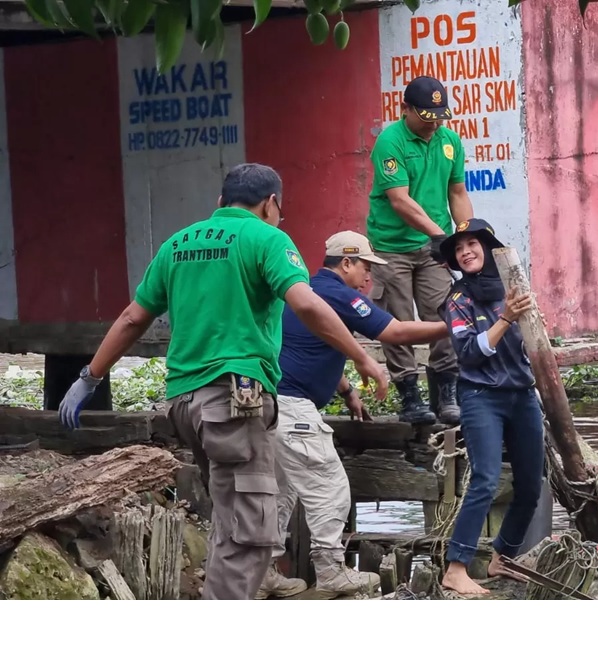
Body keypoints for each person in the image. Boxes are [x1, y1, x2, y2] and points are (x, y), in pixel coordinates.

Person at [57, 164, 388, 601]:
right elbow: (305, 305)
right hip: (235, 398)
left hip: (184, 401)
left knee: (231, 520)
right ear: (271, 204)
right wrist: (362, 356)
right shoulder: (267, 239)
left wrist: (89, 377)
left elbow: (133, 316)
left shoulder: (178, 243)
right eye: (278, 209)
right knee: (252, 531)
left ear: (220, 203)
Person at [259, 231, 452, 599]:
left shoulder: (301, 290)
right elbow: (395, 332)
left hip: (271, 406)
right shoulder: (336, 293)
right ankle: (331, 571)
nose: (369, 278)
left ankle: (263, 571)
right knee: (329, 488)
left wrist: (347, 391)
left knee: (278, 492)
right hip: (294, 408)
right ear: (345, 263)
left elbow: (311, 346)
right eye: (365, 267)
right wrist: (456, 327)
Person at [433, 219, 543, 596]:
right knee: (486, 479)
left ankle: (504, 556)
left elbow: (535, 337)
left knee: (532, 483)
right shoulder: (457, 300)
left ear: (489, 248)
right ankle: (456, 567)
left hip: (523, 395)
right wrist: (506, 318)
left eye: (473, 243)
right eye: (459, 248)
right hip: (481, 396)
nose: (466, 251)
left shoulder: (513, 290)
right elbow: (469, 354)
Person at [367, 75, 473, 426]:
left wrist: (464, 234)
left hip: (434, 247)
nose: (434, 124)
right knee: (397, 323)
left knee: (443, 313)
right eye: (426, 117)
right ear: (406, 110)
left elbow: (457, 193)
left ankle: (446, 393)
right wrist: (439, 235)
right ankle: (409, 396)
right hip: (391, 247)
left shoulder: (450, 141)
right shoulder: (390, 142)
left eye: (439, 117)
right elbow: (400, 200)